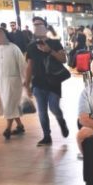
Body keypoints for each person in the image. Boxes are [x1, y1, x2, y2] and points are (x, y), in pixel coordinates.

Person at [24, 16, 69, 146]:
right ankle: (46, 136)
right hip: (38, 83)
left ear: (45, 26)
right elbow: (30, 66)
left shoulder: (55, 43)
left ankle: (61, 122)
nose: (37, 27)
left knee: (54, 107)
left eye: (40, 24)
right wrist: (27, 84)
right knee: (42, 112)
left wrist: (50, 51)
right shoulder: (31, 47)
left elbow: (63, 59)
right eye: (35, 25)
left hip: (54, 82)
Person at [0, 27, 27, 140]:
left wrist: (25, 80)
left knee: (9, 105)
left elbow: (22, 65)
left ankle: (8, 129)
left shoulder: (14, 48)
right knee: (9, 105)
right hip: (0, 83)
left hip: (14, 82)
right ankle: (19, 125)